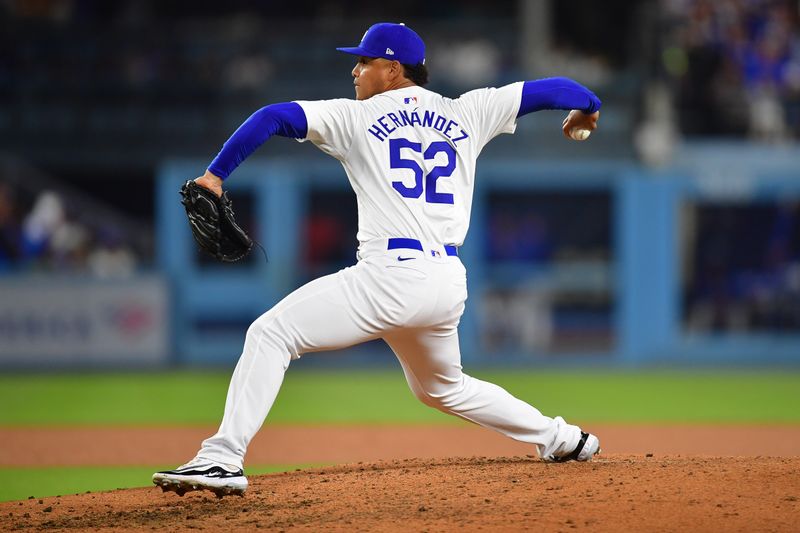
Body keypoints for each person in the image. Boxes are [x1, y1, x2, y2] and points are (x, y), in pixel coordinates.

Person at [153, 22, 602, 498]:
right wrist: (587, 110)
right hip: (446, 281)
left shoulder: (355, 118)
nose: (355, 70)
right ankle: (564, 439)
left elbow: (271, 117)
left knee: (271, 333)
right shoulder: (468, 110)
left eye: (364, 61)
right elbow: (561, 89)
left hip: (390, 277)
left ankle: (222, 458)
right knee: (441, 388)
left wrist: (215, 176)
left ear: (391, 70)